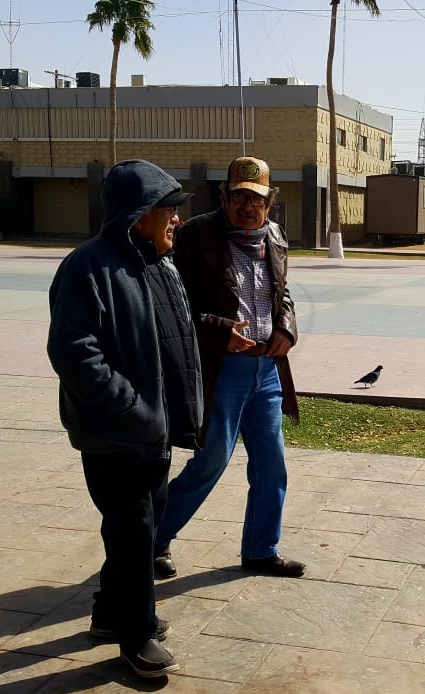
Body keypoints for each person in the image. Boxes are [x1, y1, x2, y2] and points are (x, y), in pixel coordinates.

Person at [46, 160, 201, 678]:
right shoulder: (88, 267)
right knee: (134, 536)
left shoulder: (156, 263)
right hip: (117, 434)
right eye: (168, 211)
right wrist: (129, 407)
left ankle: (111, 614)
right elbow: (74, 353)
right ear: (139, 214)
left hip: (154, 431)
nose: (177, 220)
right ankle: (137, 636)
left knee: (137, 526)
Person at [153, 156, 306, 579]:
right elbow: (173, 304)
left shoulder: (275, 235)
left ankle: (261, 549)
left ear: (270, 202)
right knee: (212, 460)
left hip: (267, 369)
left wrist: (286, 327)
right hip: (221, 369)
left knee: (271, 464)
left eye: (256, 199)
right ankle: (153, 539)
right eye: (239, 197)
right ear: (224, 196)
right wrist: (220, 330)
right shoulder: (196, 234)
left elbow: (282, 292)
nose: (247, 206)